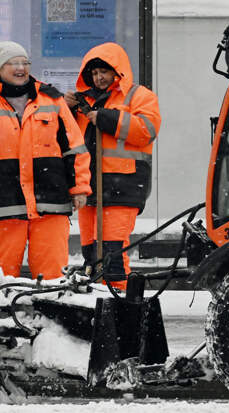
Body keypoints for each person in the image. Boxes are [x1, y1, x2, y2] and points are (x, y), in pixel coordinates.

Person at [0, 41, 91, 280]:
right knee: (1, 272)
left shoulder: (51, 99)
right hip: (3, 202)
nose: (20, 68)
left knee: (52, 272)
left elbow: (74, 147)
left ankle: (49, 315)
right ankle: (0, 313)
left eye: (24, 62)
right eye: (13, 63)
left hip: (50, 202)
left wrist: (80, 188)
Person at [64, 42, 161, 289]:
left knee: (112, 254)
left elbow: (147, 130)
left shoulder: (140, 96)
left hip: (123, 186)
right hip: (89, 187)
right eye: (94, 73)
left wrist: (107, 118)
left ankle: (118, 305)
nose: (99, 78)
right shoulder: (83, 102)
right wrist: (66, 109)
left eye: (104, 72)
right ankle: (98, 303)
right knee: (91, 254)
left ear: (117, 71)